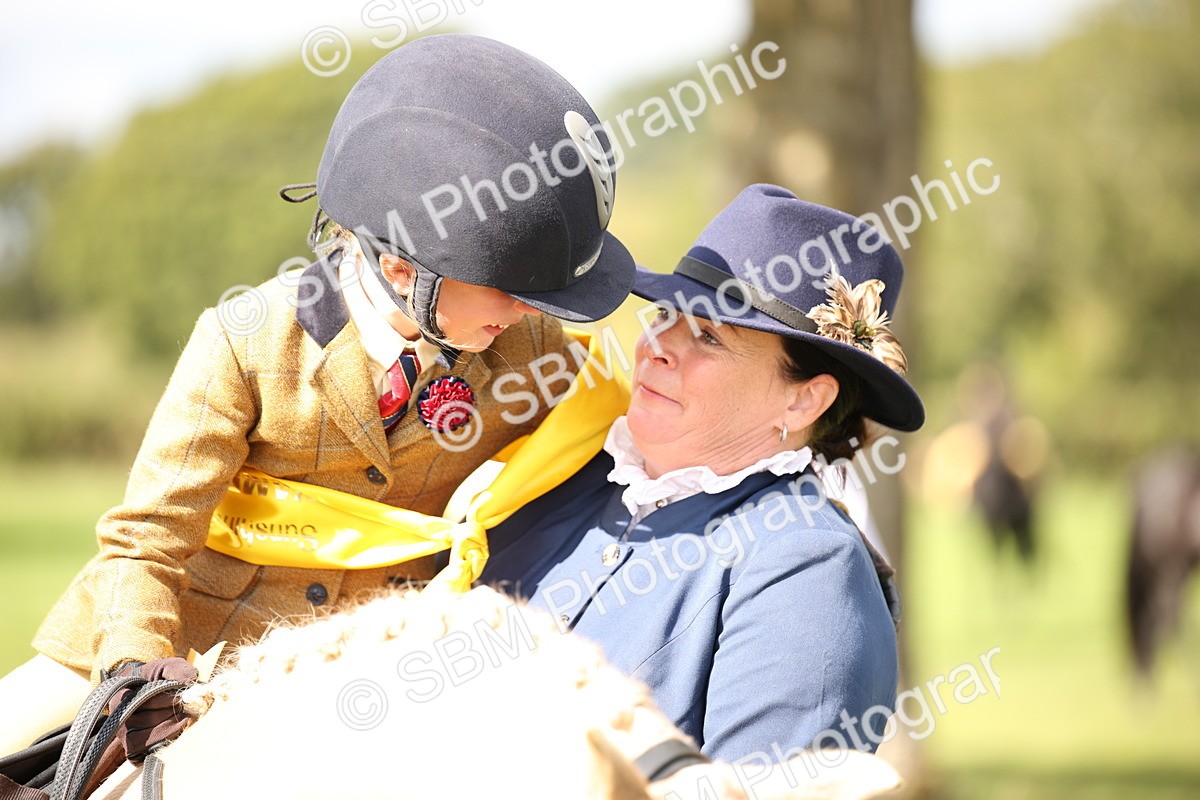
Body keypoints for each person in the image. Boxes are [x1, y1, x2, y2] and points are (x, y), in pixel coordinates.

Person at [0, 33, 635, 756]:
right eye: (509, 289)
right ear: (402, 271)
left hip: (380, 669)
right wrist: (133, 671)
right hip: (196, 648)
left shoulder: (532, 346)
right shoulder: (245, 342)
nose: (527, 313)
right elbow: (146, 539)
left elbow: (618, 443)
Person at [477, 183, 925, 762]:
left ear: (803, 401)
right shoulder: (556, 471)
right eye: (666, 314)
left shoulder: (809, 568)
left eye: (709, 336)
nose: (655, 346)